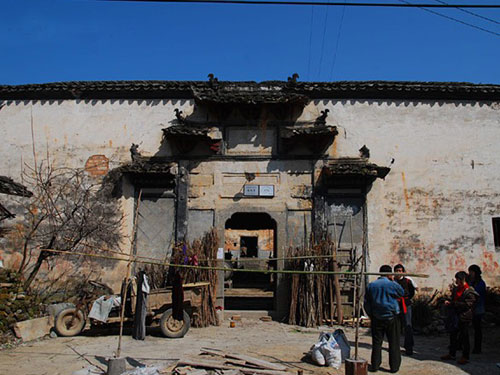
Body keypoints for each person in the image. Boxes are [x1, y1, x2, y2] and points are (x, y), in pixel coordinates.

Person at [364, 265, 405, 373]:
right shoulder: (392, 285)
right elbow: (402, 293)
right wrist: (393, 281)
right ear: (389, 274)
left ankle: (375, 365)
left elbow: (367, 303)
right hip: (392, 317)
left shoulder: (371, 285)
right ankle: (394, 367)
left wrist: (371, 315)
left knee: (377, 343)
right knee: (394, 343)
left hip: (377, 317)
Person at [441, 271, 478, 365]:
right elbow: (453, 299)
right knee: (453, 335)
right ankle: (452, 354)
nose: (456, 280)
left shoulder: (469, 291)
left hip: (464, 316)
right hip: (455, 316)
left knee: (464, 337)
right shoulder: (456, 289)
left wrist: (453, 304)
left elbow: (468, 304)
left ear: (462, 279)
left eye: (457, 279)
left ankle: (465, 356)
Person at [394, 264, 415, 356]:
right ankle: (395, 347)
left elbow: (412, 293)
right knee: (396, 327)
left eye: (400, 270)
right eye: (397, 271)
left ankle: (409, 347)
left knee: (408, 326)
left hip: (406, 305)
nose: (398, 272)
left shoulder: (407, 281)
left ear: (403, 272)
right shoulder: (392, 281)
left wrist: (405, 299)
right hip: (395, 306)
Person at [468, 264, 486, 354]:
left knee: (477, 329)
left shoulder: (480, 283)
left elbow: (477, 294)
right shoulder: (472, 282)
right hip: (470, 308)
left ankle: (477, 347)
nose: (470, 273)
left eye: (471, 272)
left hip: (478, 308)